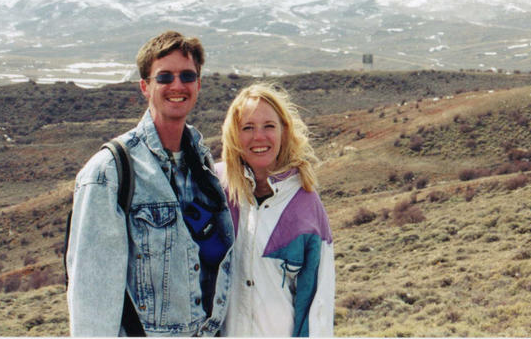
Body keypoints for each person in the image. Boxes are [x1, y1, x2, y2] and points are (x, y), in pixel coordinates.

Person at [66, 31, 234, 336]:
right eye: (164, 77)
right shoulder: (109, 173)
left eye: (187, 76)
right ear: (145, 86)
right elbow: (91, 300)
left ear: (199, 84)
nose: (177, 86)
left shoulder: (202, 165)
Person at [216, 83, 335, 337]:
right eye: (247, 127)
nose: (259, 137)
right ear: (234, 136)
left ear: (284, 130)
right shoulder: (215, 189)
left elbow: (317, 305)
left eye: (269, 126)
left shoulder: (306, 204)